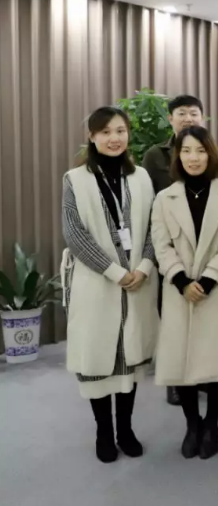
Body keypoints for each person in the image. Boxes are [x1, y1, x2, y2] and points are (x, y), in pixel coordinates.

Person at [60, 106, 159, 463]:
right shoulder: (75, 179)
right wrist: (116, 272)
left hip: (138, 281)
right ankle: (104, 431)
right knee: (98, 358)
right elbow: (74, 234)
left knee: (129, 361)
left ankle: (125, 429)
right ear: (92, 136)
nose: (114, 138)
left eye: (120, 130)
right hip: (97, 284)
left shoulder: (142, 177)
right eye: (105, 132)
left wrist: (144, 266)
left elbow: (155, 226)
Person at [151, 127, 218, 460]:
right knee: (183, 362)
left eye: (201, 151)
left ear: (211, 154)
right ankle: (192, 425)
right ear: (178, 156)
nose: (194, 158)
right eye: (187, 151)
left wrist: (207, 281)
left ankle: (212, 425)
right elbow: (160, 244)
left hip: (215, 289)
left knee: (216, 360)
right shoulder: (165, 198)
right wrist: (181, 280)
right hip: (179, 291)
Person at [142, 94, 205, 406]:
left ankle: (201, 373)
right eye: (182, 113)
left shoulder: (210, 151)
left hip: (203, 246)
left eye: (193, 113)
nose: (188, 118)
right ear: (170, 118)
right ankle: (175, 381)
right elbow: (148, 203)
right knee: (172, 317)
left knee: (203, 314)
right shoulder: (156, 155)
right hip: (169, 247)